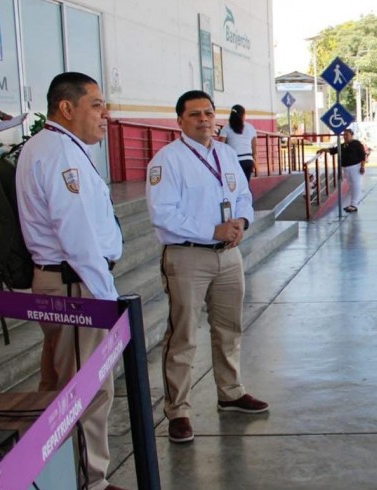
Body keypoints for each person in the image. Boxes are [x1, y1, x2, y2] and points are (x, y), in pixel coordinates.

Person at [16, 72, 125, 490]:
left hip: (66, 282)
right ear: (67, 108)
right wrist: (107, 300)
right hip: (75, 285)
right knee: (86, 393)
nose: (105, 114)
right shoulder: (60, 152)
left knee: (60, 387)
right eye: (96, 105)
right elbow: (78, 237)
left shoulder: (56, 147)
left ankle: (63, 478)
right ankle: (89, 482)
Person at [146, 90, 268, 445]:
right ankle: (178, 410)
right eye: (195, 114)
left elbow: (243, 195)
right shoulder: (167, 160)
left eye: (209, 113)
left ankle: (230, 392)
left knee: (230, 328)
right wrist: (210, 230)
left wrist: (241, 223)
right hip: (187, 256)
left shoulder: (227, 153)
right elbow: (163, 213)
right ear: (180, 121)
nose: (204, 119)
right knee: (183, 335)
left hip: (228, 255)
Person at [317, 127, 366, 212]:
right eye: (344, 135)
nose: (345, 136)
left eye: (347, 135)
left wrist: (362, 166)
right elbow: (333, 150)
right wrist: (323, 150)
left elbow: (362, 155)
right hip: (346, 168)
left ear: (351, 135)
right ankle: (352, 203)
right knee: (351, 186)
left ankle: (354, 204)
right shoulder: (342, 145)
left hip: (355, 167)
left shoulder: (356, 144)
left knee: (356, 185)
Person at [218, 104, 257, 182]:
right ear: (243, 115)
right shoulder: (250, 127)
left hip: (234, 161)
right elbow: (254, 147)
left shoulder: (226, 128)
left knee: (236, 187)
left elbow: (220, 146)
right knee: (246, 185)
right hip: (248, 161)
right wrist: (254, 161)